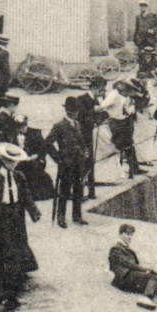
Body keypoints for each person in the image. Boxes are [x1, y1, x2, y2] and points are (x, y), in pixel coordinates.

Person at [0, 142, 42, 297]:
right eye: (10, 161)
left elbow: (26, 196)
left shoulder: (19, 177)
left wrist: (34, 212)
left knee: (18, 244)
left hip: (17, 214)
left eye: (15, 161)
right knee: (0, 246)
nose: (13, 164)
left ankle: (16, 276)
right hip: (1, 215)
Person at [47, 97, 90, 228]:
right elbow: (48, 143)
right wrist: (58, 159)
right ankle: (61, 217)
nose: (75, 113)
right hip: (66, 163)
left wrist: (85, 151)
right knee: (64, 190)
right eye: (72, 110)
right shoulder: (59, 125)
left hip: (79, 162)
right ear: (67, 110)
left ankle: (77, 216)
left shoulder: (77, 124)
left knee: (79, 189)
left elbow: (81, 141)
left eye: (76, 110)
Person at [101, 79, 144, 178]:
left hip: (125, 121)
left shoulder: (127, 97)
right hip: (116, 122)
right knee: (119, 145)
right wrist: (109, 114)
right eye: (127, 91)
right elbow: (103, 106)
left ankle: (134, 168)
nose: (128, 94)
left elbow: (129, 109)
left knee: (129, 144)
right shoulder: (114, 95)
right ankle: (120, 170)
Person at [133, 2, 157, 78]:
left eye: (144, 7)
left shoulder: (152, 16)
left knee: (151, 55)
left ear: (147, 8)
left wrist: (153, 30)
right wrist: (135, 39)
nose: (142, 8)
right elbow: (137, 28)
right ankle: (142, 72)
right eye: (141, 7)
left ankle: (152, 72)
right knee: (141, 56)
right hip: (141, 40)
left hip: (150, 39)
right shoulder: (138, 17)